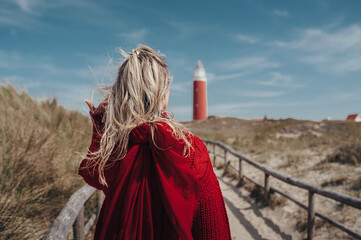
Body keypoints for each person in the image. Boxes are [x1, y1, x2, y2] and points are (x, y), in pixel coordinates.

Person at [78, 45, 231, 240]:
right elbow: (214, 232)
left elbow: (94, 176)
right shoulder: (191, 150)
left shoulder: (115, 147)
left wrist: (102, 132)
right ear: (164, 94)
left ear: (120, 91)